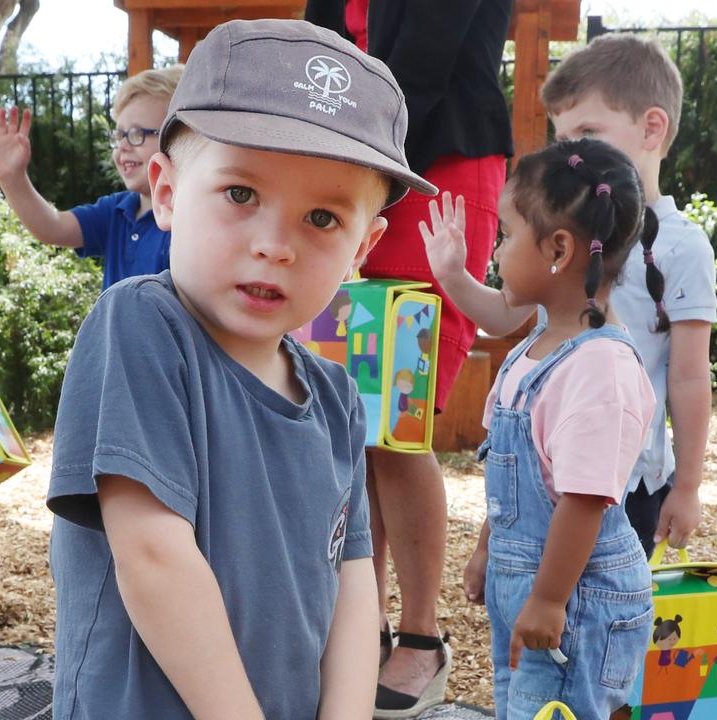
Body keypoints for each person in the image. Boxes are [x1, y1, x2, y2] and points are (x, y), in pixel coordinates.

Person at [48, 19, 438, 718]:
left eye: (323, 218)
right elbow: (154, 556)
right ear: (167, 192)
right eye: (240, 194)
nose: (274, 245)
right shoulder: (142, 327)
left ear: (363, 247)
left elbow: (353, 585)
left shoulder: (337, 397)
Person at [303, 2, 515, 712]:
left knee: (396, 422)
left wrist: (358, 165)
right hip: (356, 174)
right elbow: (318, 52)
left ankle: (422, 638)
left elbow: (424, 59)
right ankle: (363, 624)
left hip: (434, 175)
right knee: (350, 425)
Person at [458, 34, 716, 614]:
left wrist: (688, 486)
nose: (568, 154)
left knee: (598, 621)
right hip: (546, 469)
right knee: (532, 618)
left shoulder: (681, 247)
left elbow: (689, 377)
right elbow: (505, 317)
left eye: (587, 133)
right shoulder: (556, 239)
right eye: (562, 140)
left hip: (627, 481)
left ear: (652, 128)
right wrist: (453, 275)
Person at [420, 138, 657, 718]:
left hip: (576, 600)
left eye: (505, 235)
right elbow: (514, 479)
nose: (497, 251)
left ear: (558, 249)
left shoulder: (598, 369)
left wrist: (549, 599)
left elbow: (584, 500)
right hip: (535, 585)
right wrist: (489, 548)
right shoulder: (542, 341)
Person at [0, 66, 181, 289]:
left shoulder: (185, 218)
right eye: (119, 135)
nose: (123, 146)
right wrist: (12, 178)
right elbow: (53, 226)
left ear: (178, 137)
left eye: (137, 134)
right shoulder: (117, 211)